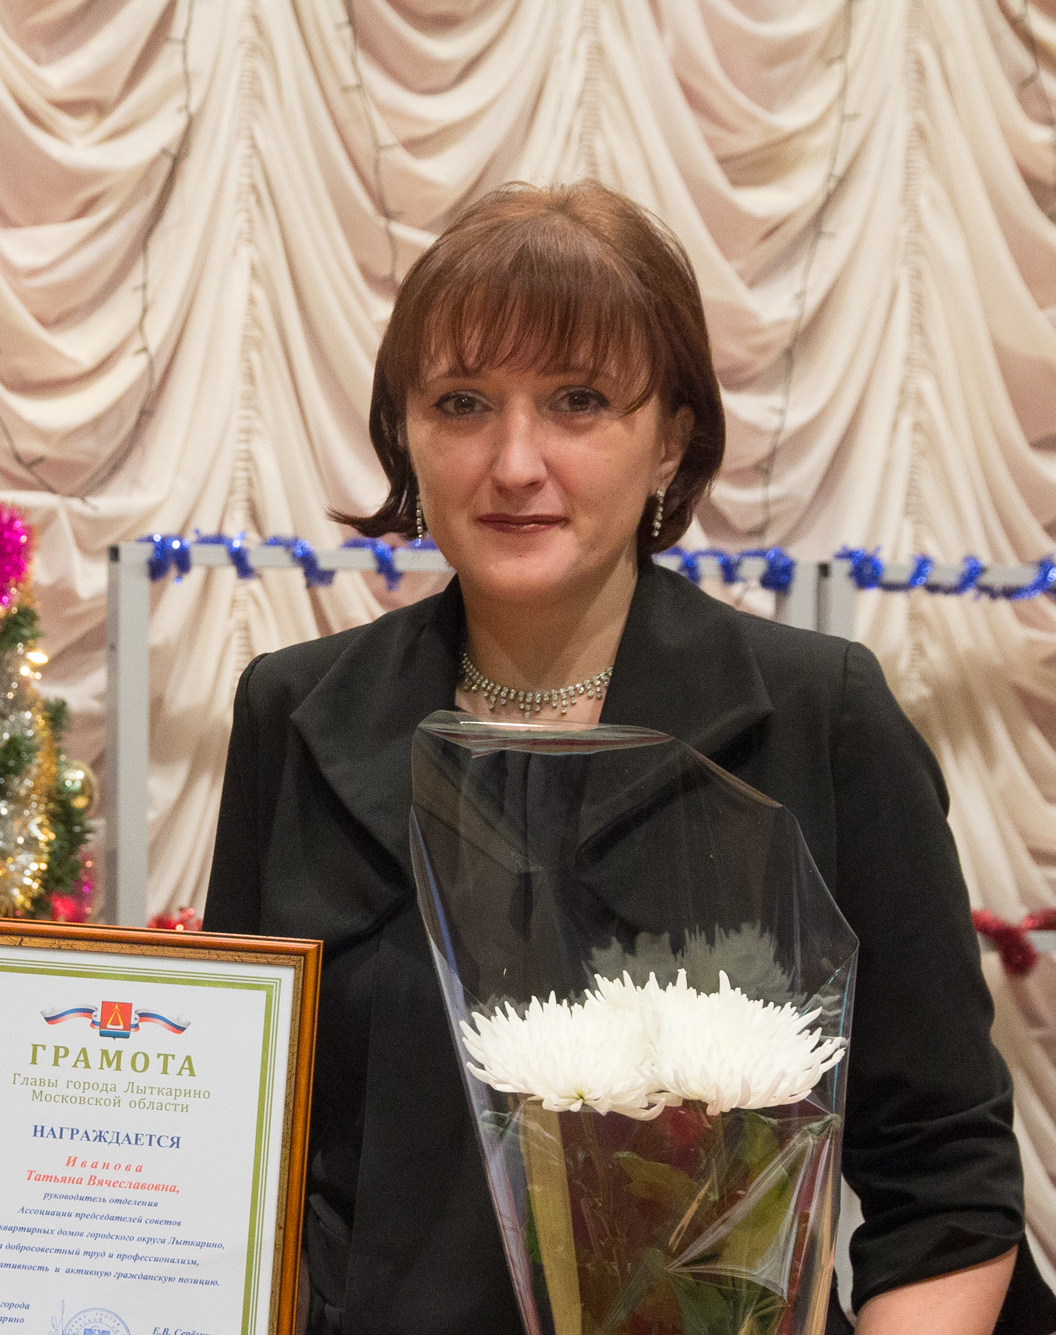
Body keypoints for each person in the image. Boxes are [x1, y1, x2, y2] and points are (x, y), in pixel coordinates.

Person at [204, 182, 1049, 1335]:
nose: (513, 461)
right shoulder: (292, 714)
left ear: (671, 442)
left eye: (578, 401)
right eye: (461, 403)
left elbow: (943, 1182)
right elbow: (241, 1155)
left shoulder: (819, 717)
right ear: (403, 431)